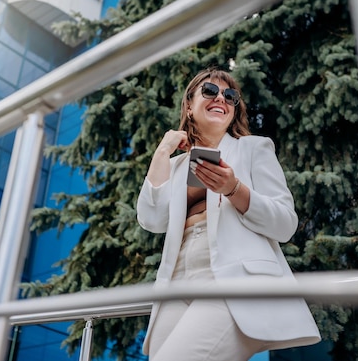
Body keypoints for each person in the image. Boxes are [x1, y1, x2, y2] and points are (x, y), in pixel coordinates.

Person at [136, 68, 321, 361]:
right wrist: (162, 153)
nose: (221, 98)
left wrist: (234, 189)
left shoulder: (253, 149)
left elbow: (286, 224)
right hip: (175, 286)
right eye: (209, 91)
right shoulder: (175, 166)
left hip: (232, 282)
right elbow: (151, 219)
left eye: (230, 96)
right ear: (188, 105)